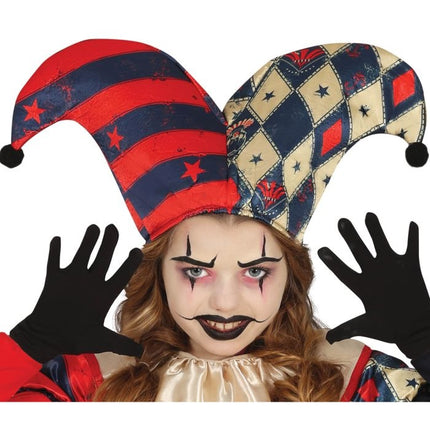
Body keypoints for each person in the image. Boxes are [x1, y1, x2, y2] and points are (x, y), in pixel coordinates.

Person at [0, 40, 429, 401]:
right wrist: (30, 343)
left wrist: (422, 337)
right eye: (194, 271)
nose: (225, 303)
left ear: (291, 277)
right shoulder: (94, 381)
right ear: (158, 274)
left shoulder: (342, 380)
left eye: (256, 272)